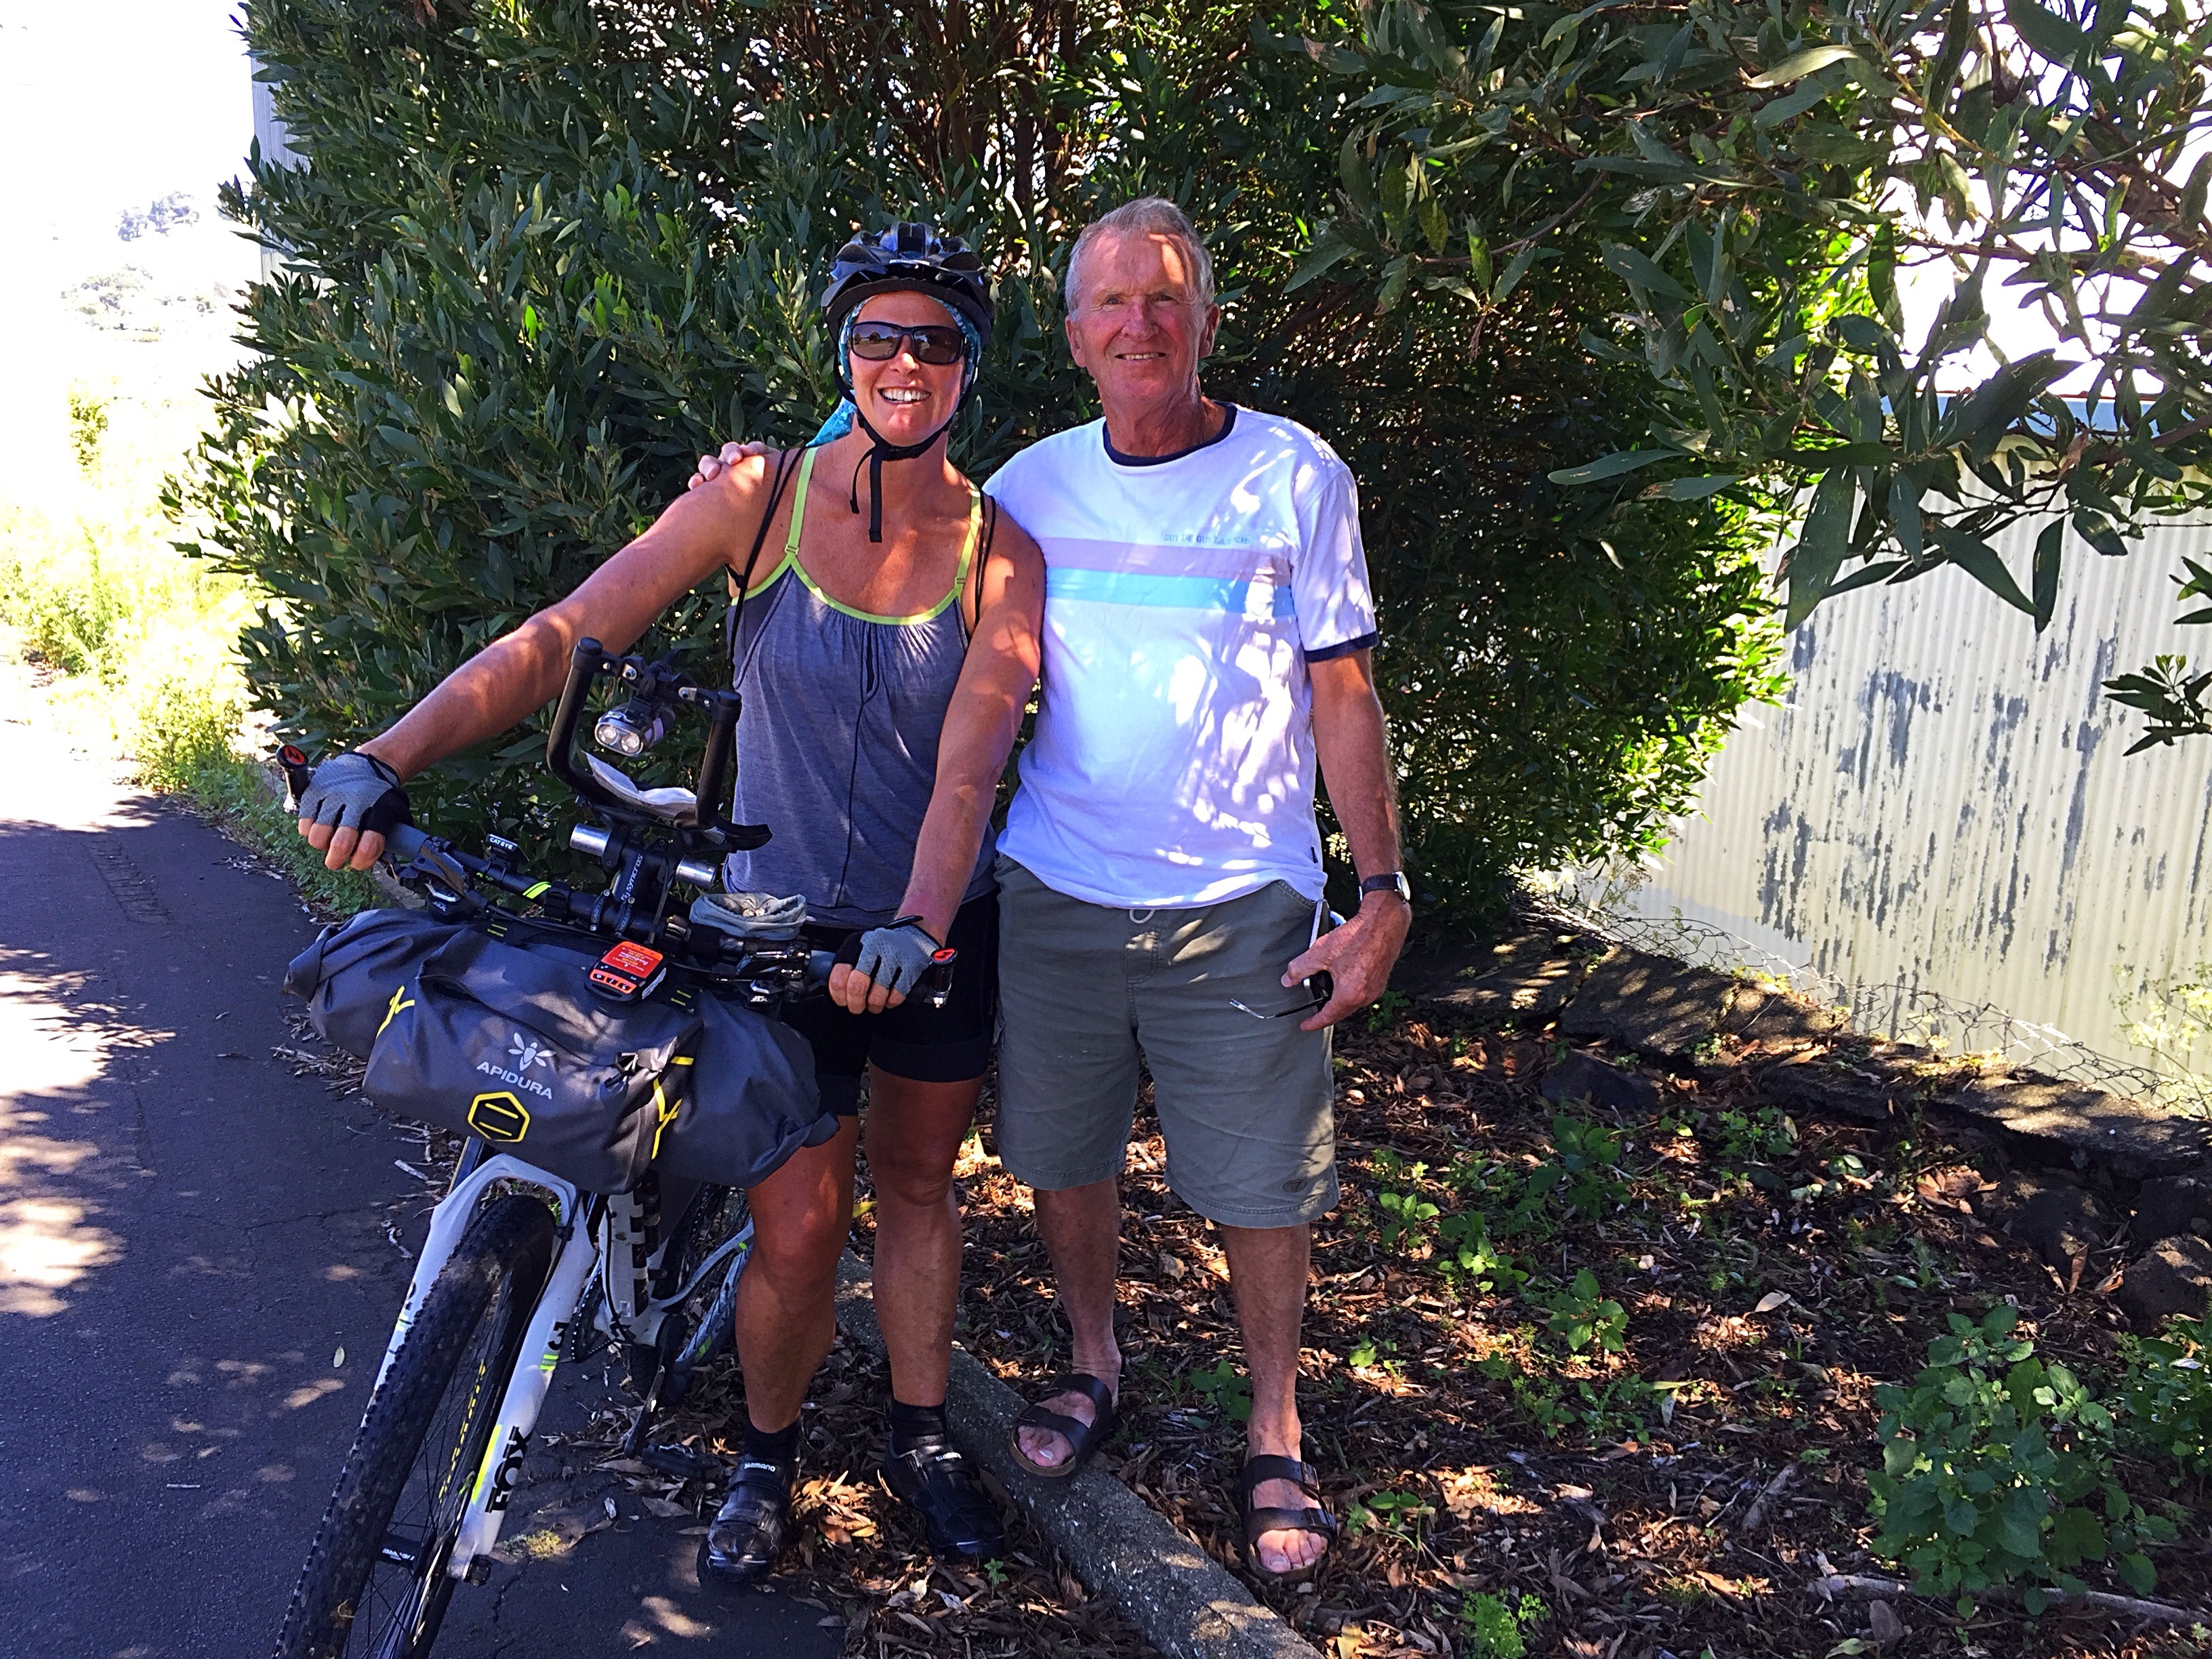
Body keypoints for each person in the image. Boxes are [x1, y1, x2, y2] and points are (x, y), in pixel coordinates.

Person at [291, 223, 1046, 1580]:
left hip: (926, 933)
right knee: (800, 1226)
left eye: (935, 341)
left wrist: (921, 922)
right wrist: (387, 755)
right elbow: (567, 635)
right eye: (878, 335)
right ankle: (766, 1452)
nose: (905, 362)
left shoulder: (1003, 553)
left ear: (968, 367)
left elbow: (969, 766)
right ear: (844, 353)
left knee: (918, 1185)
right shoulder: (757, 497)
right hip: (767, 930)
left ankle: (923, 1431)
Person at [700, 197, 1410, 1582]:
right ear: (1075, 336)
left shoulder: (1296, 474)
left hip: (1241, 894)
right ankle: (1093, 1365)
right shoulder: (1027, 491)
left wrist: (1377, 890)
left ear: (1207, 322)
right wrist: (748, 475)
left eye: (1166, 299)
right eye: (1111, 303)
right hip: (1055, 888)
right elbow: (880, 485)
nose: (1140, 325)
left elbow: (1344, 691)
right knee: (1066, 1155)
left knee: (1261, 1183)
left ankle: (1275, 1429)